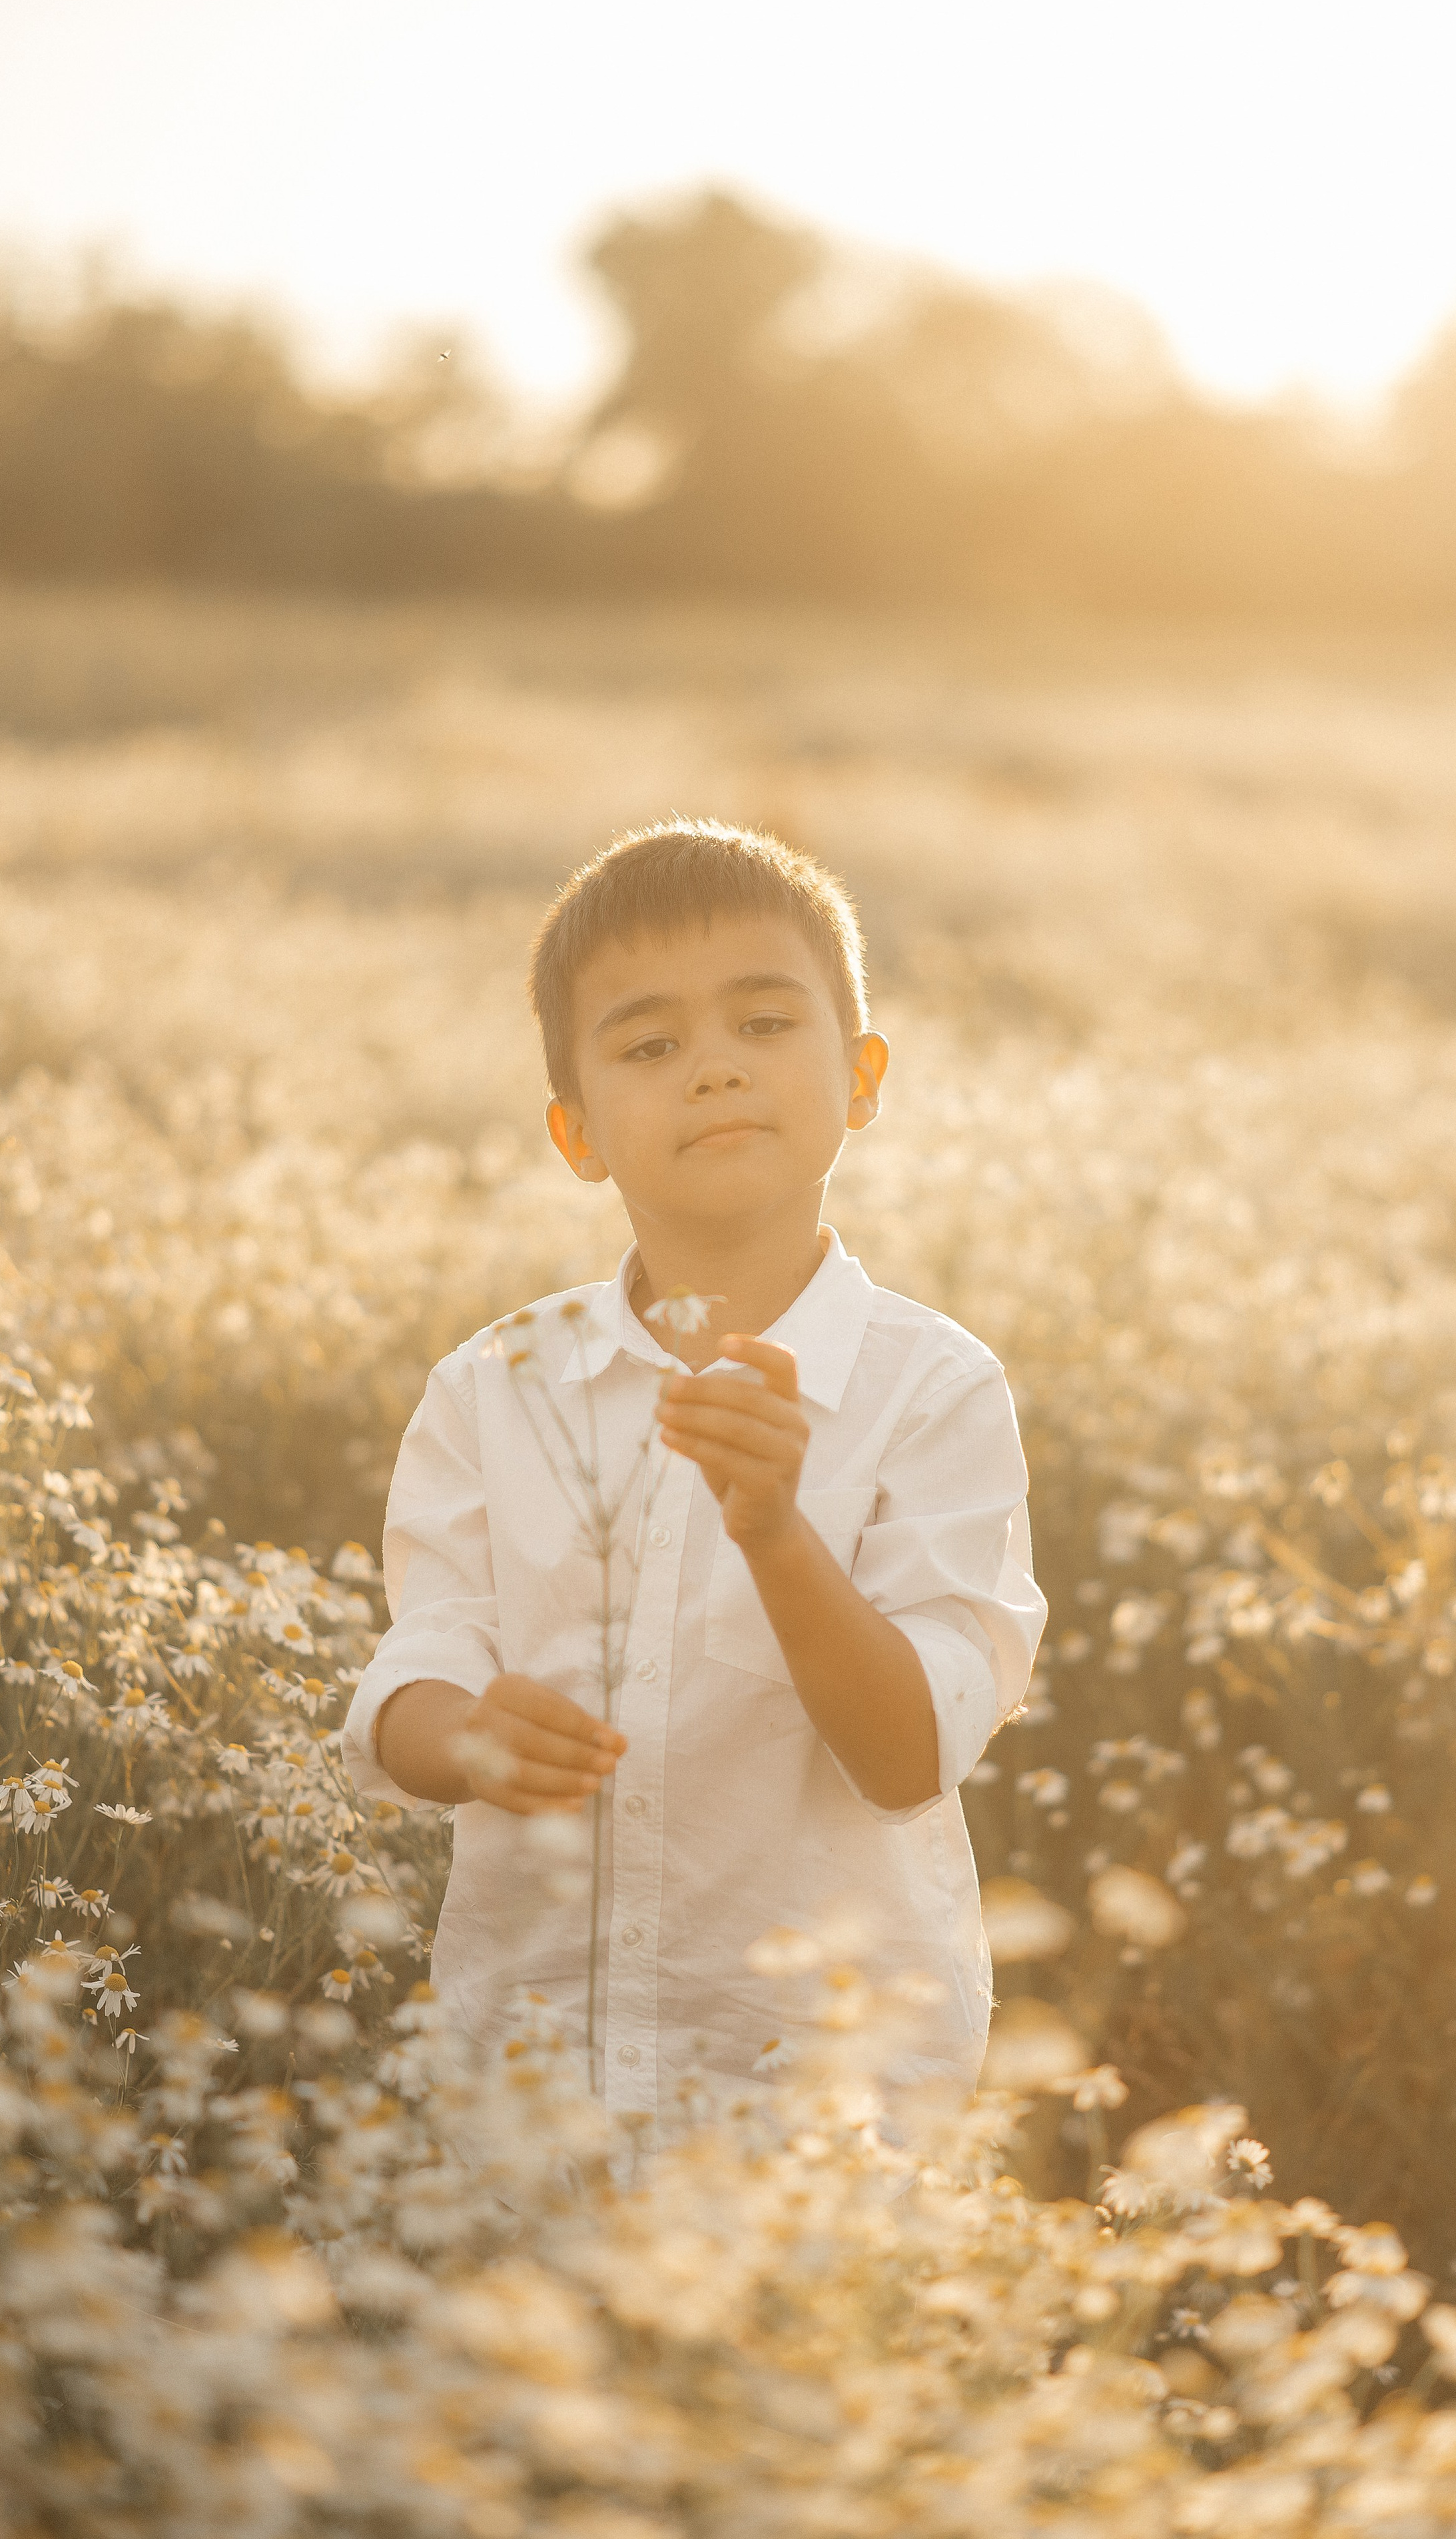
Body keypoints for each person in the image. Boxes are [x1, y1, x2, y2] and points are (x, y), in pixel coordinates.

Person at [341, 819, 1046, 2125]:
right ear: (577, 1133)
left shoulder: (933, 1392)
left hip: (827, 2097)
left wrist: (774, 1532)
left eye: (764, 1024)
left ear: (861, 1077)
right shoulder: (493, 1388)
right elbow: (415, 1673)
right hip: (531, 2076)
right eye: (649, 1046)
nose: (714, 1068)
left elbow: (909, 1756)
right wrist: (467, 1740)